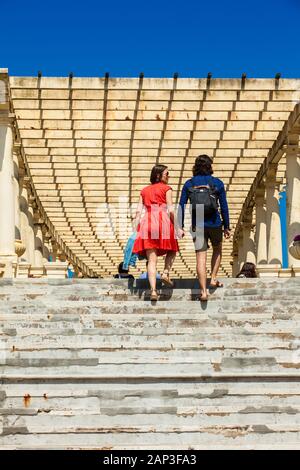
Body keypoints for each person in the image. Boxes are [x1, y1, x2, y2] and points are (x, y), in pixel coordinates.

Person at [178, 155, 230, 301]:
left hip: (197, 222)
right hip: (214, 222)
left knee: (200, 257)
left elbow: (181, 205)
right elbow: (224, 206)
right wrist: (227, 226)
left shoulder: (189, 184)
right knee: (217, 248)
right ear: (210, 166)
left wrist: (179, 226)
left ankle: (203, 292)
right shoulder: (217, 183)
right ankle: (213, 278)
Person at [132, 164, 182, 301]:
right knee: (172, 249)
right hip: (162, 221)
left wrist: (136, 225)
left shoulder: (144, 191)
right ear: (159, 175)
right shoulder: (167, 189)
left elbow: (137, 212)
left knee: (151, 260)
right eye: (167, 174)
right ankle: (166, 272)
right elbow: (171, 210)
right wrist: (177, 227)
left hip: (147, 222)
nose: (169, 176)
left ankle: (153, 291)